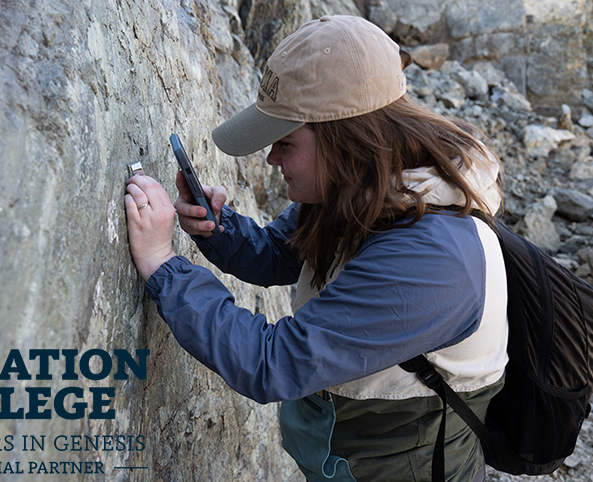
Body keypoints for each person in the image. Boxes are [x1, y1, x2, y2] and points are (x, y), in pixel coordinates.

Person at [125, 15, 507, 482]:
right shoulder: (367, 185)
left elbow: (273, 363)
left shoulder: (434, 262)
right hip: (353, 458)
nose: (271, 158)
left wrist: (162, 264)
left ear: (348, 139)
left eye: (285, 142)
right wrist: (217, 229)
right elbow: (280, 254)